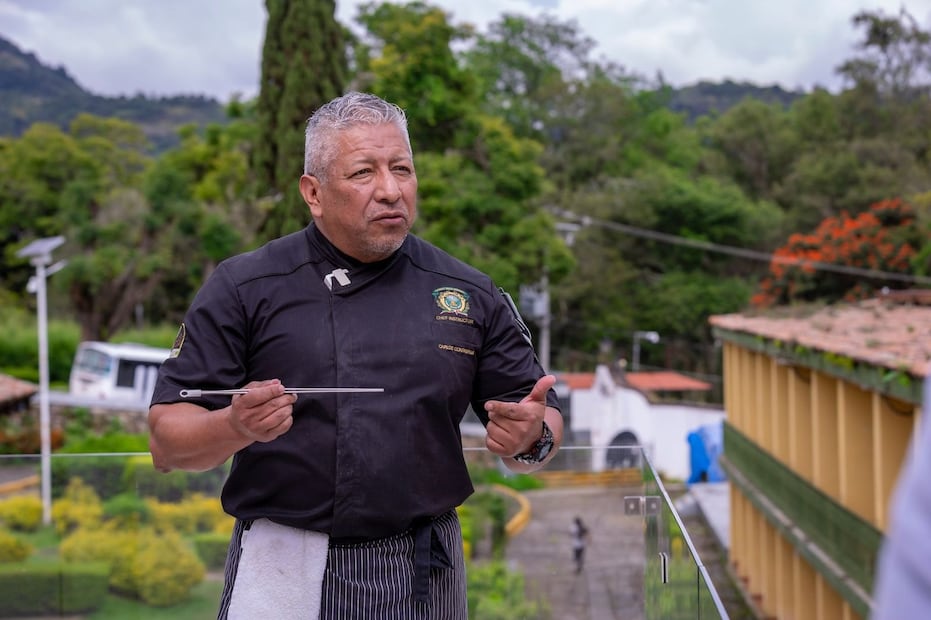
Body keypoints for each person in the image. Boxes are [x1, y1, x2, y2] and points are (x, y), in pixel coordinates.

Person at [147, 91, 563, 620]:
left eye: (402, 169)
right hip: (285, 560)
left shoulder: (466, 292)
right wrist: (236, 425)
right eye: (363, 173)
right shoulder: (245, 287)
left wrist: (532, 438)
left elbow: (540, 416)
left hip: (424, 566)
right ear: (313, 192)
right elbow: (166, 442)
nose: (390, 190)